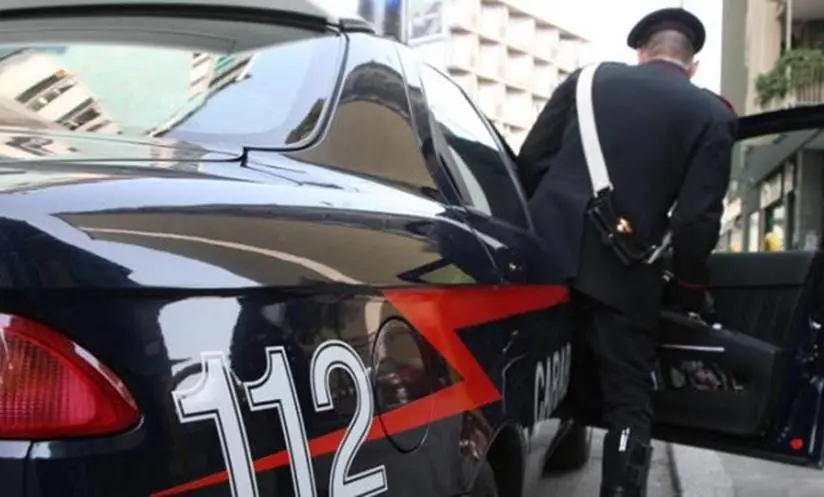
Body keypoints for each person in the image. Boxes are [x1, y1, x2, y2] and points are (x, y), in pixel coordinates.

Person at [517, 8, 737, 497]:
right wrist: (690, 290)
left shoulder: (586, 81)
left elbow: (531, 161)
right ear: (693, 64)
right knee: (627, 401)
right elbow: (696, 220)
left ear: (640, 52)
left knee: (524, 373)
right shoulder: (712, 115)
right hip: (622, 275)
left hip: (544, 258)